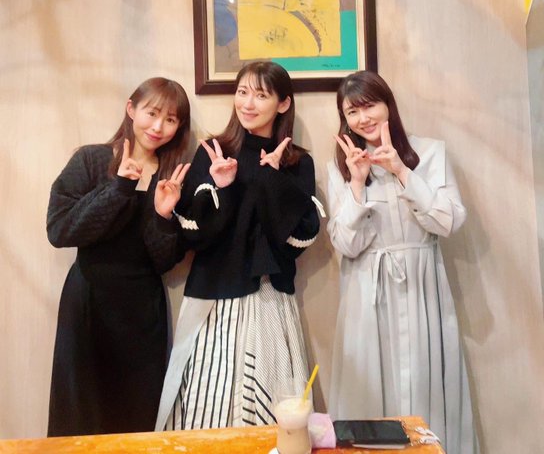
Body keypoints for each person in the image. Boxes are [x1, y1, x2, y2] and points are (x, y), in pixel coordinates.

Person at [153, 61, 322, 431]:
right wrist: (223, 188)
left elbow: (297, 241)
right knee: (206, 409)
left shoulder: (296, 162)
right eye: (243, 92)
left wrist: (273, 180)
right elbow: (194, 236)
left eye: (261, 95)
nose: (248, 103)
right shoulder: (214, 151)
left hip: (269, 298)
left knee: (273, 414)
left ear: (282, 103)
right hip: (214, 296)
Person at [327, 71, 478, 454]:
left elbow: (448, 221)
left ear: (387, 105)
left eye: (369, 106)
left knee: (423, 387)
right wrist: (357, 184)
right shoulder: (341, 166)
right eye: (352, 112)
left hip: (421, 287)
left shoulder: (430, 152)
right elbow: (346, 244)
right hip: (366, 291)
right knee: (368, 392)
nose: (363, 118)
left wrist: (401, 171)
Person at [47, 77, 191, 436]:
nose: (158, 127)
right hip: (88, 302)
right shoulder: (91, 160)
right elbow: (60, 230)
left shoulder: (172, 178)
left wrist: (163, 216)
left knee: (138, 414)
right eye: (151, 113)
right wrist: (120, 187)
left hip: (143, 311)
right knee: (81, 413)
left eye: (170, 119)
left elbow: (164, 262)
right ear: (131, 109)